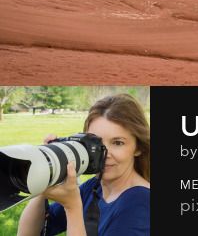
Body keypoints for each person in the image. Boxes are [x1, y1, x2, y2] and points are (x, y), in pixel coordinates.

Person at [17, 94, 150, 236]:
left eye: (118, 143)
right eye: (96, 143)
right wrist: (47, 176)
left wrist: (72, 207)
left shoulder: (141, 202)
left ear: (138, 147)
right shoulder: (94, 188)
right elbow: (29, 233)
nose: (104, 154)